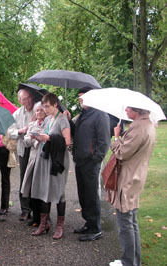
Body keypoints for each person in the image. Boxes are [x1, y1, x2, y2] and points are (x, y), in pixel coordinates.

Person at [108, 107, 156, 266]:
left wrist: (116, 137)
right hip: (136, 176)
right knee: (131, 221)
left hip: (128, 178)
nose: (125, 110)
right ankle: (133, 261)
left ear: (136, 110)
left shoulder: (138, 128)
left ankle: (129, 262)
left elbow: (121, 153)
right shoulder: (147, 125)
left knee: (125, 223)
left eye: (128, 108)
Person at [24, 93, 71, 239]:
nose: (45, 109)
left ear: (55, 104)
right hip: (45, 158)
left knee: (58, 192)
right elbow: (44, 133)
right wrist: (37, 135)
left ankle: (59, 226)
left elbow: (68, 142)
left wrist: (49, 138)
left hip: (57, 160)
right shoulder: (49, 119)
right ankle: (44, 224)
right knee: (44, 190)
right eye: (43, 106)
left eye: (47, 106)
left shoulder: (62, 119)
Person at [71, 87, 110, 241]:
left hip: (90, 161)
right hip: (80, 159)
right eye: (79, 98)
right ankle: (88, 222)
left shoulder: (100, 115)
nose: (80, 100)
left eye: (83, 97)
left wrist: (96, 158)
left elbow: (104, 141)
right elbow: (76, 132)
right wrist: (68, 119)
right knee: (83, 194)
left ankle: (95, 228)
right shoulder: (83, 115)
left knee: (91, 195)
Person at [8, 89, 36, 221]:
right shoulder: (17, 114)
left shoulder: (38, 109)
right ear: (20, 101)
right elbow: (10, 133)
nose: (28, 100)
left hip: (37, 149)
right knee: (24, 179)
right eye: (24, 99)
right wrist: (21, 130)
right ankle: (25, 209)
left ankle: (38, 210)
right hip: (23, 150)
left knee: (37, 179)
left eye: (29, 97)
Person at [21, 102, 47, 227]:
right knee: (31, 188)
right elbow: (26, 141)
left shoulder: (49, 124)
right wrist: (31, 138)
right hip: (33, 160)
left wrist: (38, 139)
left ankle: (44, 218)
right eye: (37, 111)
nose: (39, 113)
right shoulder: (32, 124)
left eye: (41, 110)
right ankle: (35, 217)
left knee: (42, 189)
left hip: (44, 160)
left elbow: (48, 139)